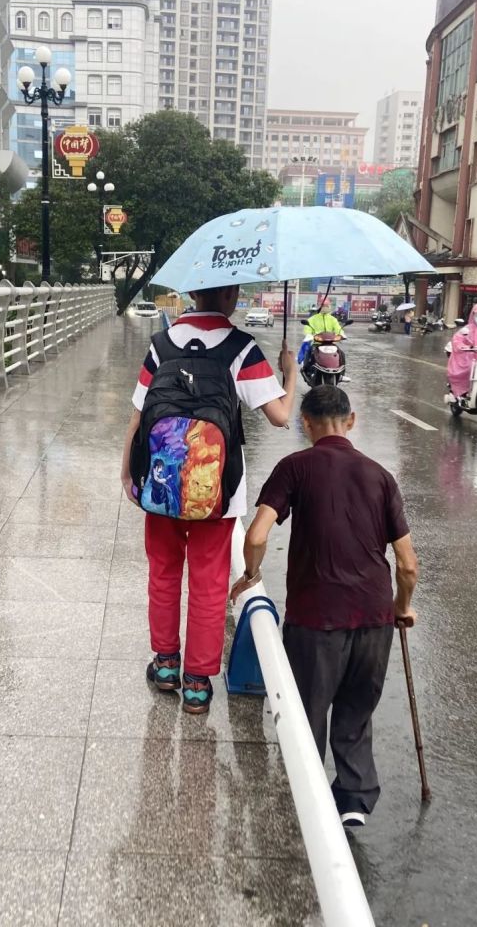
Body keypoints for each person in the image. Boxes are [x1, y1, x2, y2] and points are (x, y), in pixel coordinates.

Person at [231, 386, 419, 827]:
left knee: (308, 714)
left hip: (316, 619)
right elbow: (408, 565)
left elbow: (257, 535)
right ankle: (353, 801)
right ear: (351, 421)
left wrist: (251, 575)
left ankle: (310, 803)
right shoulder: (379, 476)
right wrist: (401, 607)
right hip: (374, 618)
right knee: (356, 711)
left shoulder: (294, 467)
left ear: (306, 424)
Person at [120, 284, 297, 714]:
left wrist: (128, 471)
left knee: (163, 573)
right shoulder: (241, 346)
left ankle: (165, 664)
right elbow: (281, 417)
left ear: (195, 292)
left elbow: (139, 415)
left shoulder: (162, 343)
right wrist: (290, 372)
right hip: (218, 491)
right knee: (209, 583)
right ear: (231, 293)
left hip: (160, 482)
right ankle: (197, 683)